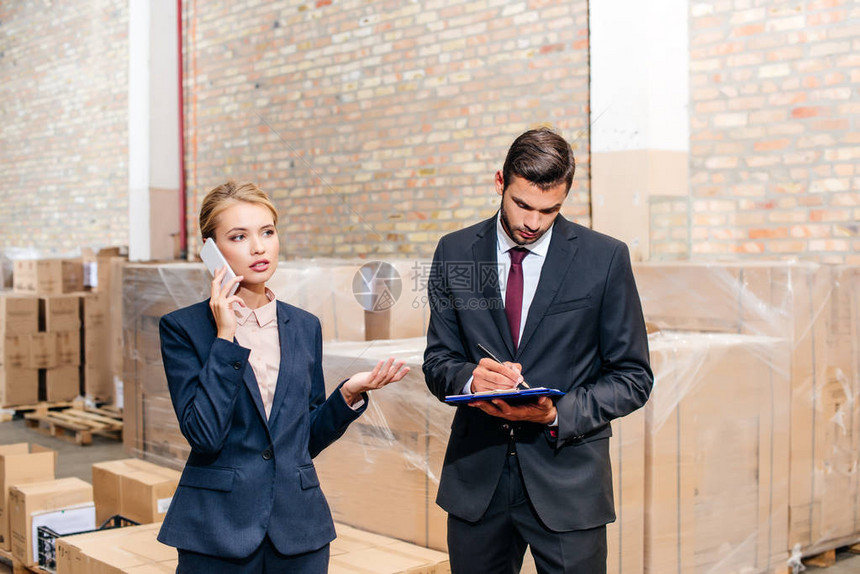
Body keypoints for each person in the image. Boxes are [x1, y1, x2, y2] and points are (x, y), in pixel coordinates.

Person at [423, 128, 653, 573]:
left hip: (569, 484)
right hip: (477, 483)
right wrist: (471, 379)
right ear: (499, 182)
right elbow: (438, 361)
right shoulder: (455, 253)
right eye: (522, 205)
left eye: (550, 211)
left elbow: (633, 377)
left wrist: (555, 414)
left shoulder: (603, 259)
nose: (533, 222)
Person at [157, 181, 409, 573]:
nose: (259, 247)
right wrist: (225, 336)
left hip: (298, 531)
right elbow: (203, 436)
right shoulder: (184, 329)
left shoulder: (304, 326)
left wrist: (348, 395)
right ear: (208, 250)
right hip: (217, 531)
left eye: (267, 232)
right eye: (239, 236)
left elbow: (302, 441)